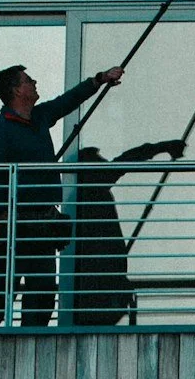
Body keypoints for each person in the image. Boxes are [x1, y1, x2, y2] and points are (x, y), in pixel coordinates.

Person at [0, 62, 122, 328]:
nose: (34, 83)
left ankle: (32, 336)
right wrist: (1, 211)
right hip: (17, 220)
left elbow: (67, 101)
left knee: (42, 288)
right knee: (6, 283)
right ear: (17, 91)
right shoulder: (1, 129)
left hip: (41, 221)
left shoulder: (38, 118)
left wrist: (99, 79)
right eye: (28, 80)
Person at [63, 139, 186, 327]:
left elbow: (123, 162)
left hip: (100, 282)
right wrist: (162, 147)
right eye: (99, 160)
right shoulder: (91, 194)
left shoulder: (85, 196)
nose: (105, 162)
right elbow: (124, 160)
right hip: (98, 283)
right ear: (90, 170)